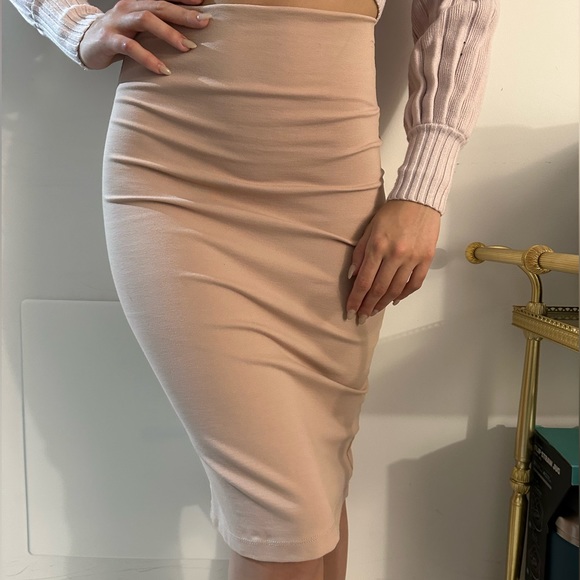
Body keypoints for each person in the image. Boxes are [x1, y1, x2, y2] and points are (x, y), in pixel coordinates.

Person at [8, 0, 498, 578]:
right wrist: (73, 24)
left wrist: (423, 188)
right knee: (281, 510)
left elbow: (460, 11)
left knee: (318, 483)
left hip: (334, 195)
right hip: (176, 176)